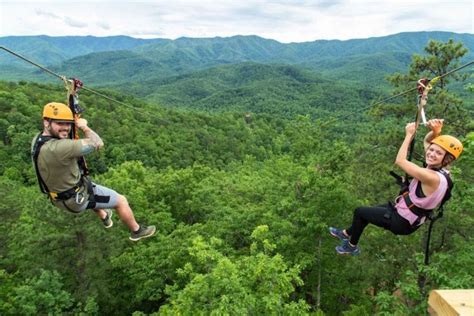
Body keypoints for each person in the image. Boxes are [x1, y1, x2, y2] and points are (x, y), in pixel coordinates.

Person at [329, 118, 463, 255]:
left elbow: (400, 161)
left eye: (438, 153)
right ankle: (345, 233)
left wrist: (409, 135)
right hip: (404, 212)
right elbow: (427, 142)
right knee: (367, 213)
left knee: (360, 212)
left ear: (446, 159)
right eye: (432, 150)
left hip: (402, 221)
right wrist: (435, 132)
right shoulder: (441, 171)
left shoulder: (432, 177)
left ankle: (351, 246)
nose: (431, 153)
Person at [31, 102, 156, 241]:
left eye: (68, 123)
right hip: (76, 199)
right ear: (46, 122)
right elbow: (98, 143)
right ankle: (136, 231)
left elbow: (66, 138)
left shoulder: (38, 140)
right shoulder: (60, 148)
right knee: (121, 200)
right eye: (60, 123)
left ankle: (104, 216)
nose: (66, 128)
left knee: (92, 189)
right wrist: (83, 126)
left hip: (59, 196)